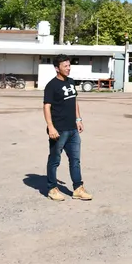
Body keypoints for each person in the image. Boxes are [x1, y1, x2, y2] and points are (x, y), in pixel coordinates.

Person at [43, 54, 92, 201]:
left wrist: (78, 119)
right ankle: (52, 188)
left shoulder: (71, 82)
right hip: (59, 130)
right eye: (65, 66)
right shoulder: (51, 85)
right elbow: (46, 107)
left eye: (69, 65)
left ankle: (78, 188)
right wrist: (50, 127)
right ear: (57, 68)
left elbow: (74, 100)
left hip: (72, 129)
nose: (69, 68)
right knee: (55, 160)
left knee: (75, 160)